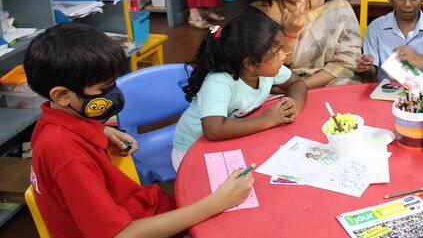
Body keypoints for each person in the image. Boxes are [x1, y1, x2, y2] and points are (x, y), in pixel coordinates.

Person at [25, 23, 254, 238]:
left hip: (144, 209)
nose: (114, 94)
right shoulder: (66, 154)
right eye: (104, 89)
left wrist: (103, 131)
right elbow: (120, 234)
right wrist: (218, 202)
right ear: (62, 95)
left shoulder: (54, 122)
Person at [172, 8, 307, 169]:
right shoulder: (219, 82)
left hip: (230, 139)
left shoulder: (266, 71)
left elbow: (297, 83)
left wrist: (292, 106)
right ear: (250, 63)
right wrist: (269, 119)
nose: (284, 56)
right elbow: (213, 130)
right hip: (192, 150)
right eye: (276, 53)